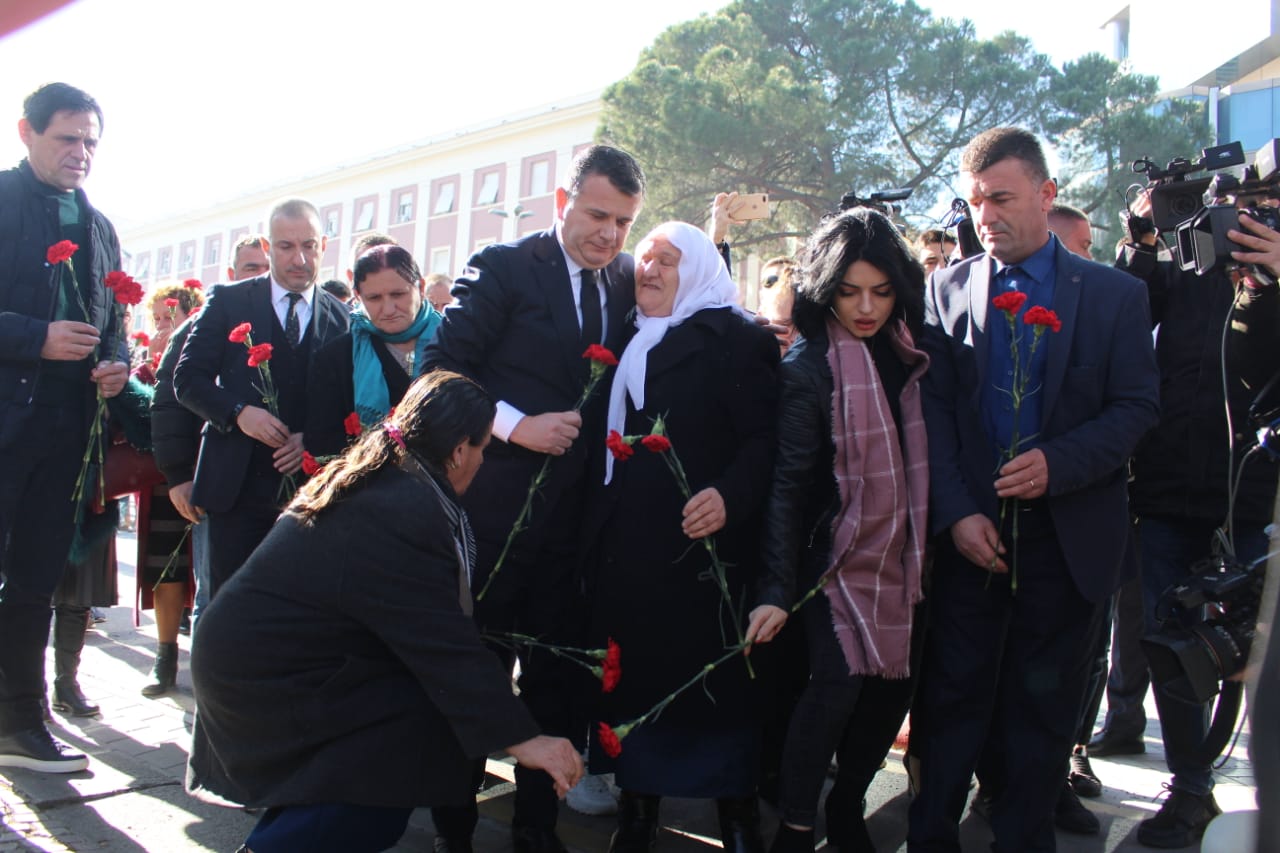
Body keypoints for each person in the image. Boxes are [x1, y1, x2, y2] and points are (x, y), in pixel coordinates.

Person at [188, 371, 583, 853]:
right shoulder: (402, 506)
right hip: (265, 676)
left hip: (280, 661)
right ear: (459, 450)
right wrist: (527, 741)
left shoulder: (394, 477)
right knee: (379, 776)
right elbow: (441, 645)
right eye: (484, 448)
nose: (483, 461)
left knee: (370, 770)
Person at [907, 127, 1160, 853]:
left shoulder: (1115, 296)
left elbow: (1137, 407)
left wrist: (1060, 463)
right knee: (950, 704)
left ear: (1047, 195)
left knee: (1042, 716)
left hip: (1068, 541)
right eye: (975, 202)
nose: (985, 216)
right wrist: (958, 513)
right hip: (972, 543)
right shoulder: (944, 290)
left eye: (1002, 198)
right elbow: (934, 416)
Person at [422, 144, 645, 853]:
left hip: (575, 531)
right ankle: (454, 827)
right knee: (476, 675)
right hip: (490, 519)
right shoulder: (504, 266)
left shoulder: (626, 281)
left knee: (559, 686)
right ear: (561, 201)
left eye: (624, 222)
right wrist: (516, 426)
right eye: (598, 215)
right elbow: (438, 371)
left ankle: (537, 828)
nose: (610, 234)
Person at [588, 221, 779, 853]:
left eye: (667, 261)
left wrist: (729, 495)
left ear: (695, 270)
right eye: (644, 259)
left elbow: (765, 441)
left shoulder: (738, 339)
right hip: (632, 553)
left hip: (707, 554)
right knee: (638, 684)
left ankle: (737, 818)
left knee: (717, 689)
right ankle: (638, 810)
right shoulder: (624, 336)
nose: (649, 270)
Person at [1114, 181, 1280, 849]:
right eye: (1234, 203)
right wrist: (1139, 239)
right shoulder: (1186, 260)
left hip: (1257, 496)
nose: (1244, 218)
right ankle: (1189, 788)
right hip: (1168, 488)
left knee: (1257, 654)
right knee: (1172, 647)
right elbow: (1126, 312)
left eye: (1262, 206)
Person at [762, 208, 929, 853]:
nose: (865, 308)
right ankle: (797, 825)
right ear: (824, 289)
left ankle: (848, 804)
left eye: (881, 293)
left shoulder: (911, 353)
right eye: (849, 291)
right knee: (836, 686)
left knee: (892, 693)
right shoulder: (808, 366)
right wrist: (776, 589)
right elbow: (787, 486)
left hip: (905, 556)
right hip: (830, 557)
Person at [0, 82, 128, 773]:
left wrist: (115, 363)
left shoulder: (99, 227)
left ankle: (19, 718)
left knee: (36, 579)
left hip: (68, 433)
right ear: (26, 131)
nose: (81, 153)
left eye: (90, 142)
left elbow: (116, 324)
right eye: (67, 138)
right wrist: (35, 338)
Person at [174, 199, 349, 598]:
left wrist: (312, 439)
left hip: (310, 495)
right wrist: (238, 413)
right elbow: (187, 379)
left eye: (309, 246)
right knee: (229, 608)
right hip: (235, 491)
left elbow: (347, 402)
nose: (299, 259)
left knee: (299, 608)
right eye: (286, 246)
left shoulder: (343, 318)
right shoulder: (228, 301)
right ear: (268, 248)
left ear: (324, 245)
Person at [133, 282, 204, 695]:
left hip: (211, 471)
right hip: (166, 477)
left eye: (169, 316)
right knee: (166, 565)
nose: (162, 325)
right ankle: (165, 656)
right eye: (157, 318)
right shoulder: (145, 369)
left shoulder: (206, 349)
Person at [306, 245, 442, 456]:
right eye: (374, 298)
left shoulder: (453, 343)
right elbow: (323, 441)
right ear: (357, 296)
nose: (388, 309)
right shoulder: (337, 358)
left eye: (398, 294)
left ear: (421, 287)